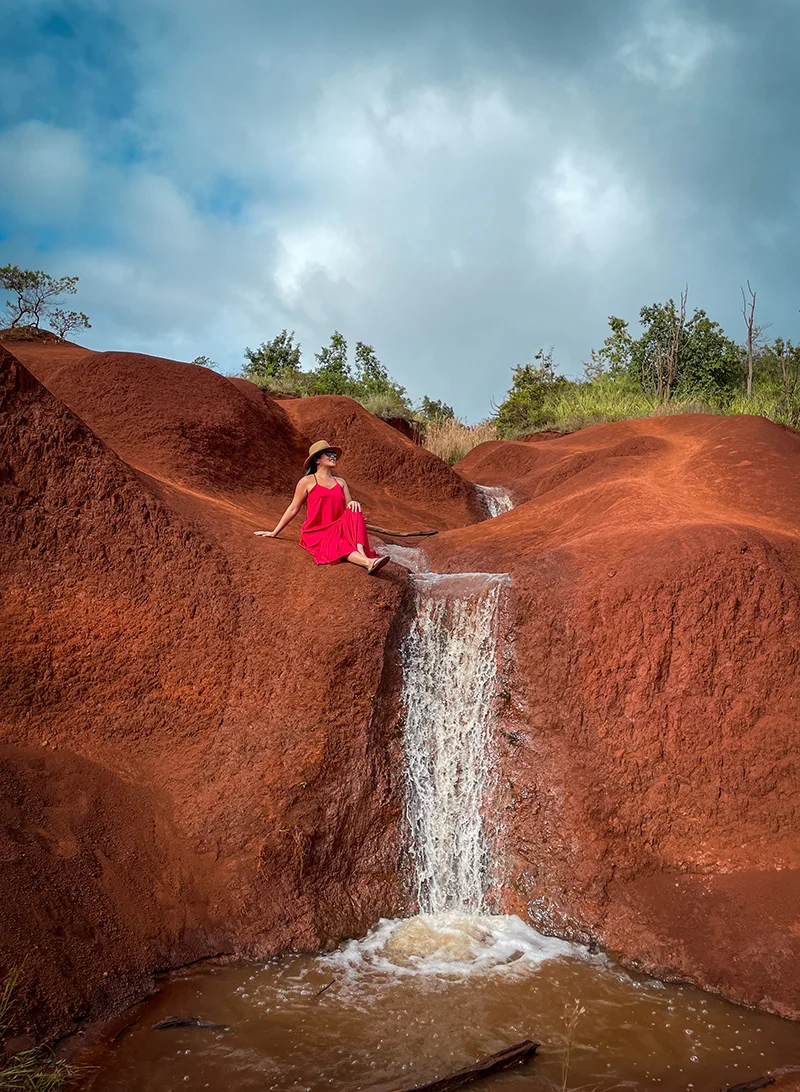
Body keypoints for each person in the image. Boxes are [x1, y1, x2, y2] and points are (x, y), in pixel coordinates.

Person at [254, 440, 390, 574]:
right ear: (317, 460)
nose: (333, 456)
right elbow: (293, 508)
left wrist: (353, 503)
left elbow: (349, 508)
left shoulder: (341, 482)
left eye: (333, 453)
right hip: (316, 532)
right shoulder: (306, 481)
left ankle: (361, 554)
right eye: (328, 453)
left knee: (355, 508)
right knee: (340, 543)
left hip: (337, 528)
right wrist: (274, 532)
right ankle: (367, 562)